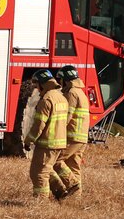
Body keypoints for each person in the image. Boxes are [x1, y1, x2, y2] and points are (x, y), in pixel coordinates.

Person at [26, 69, 68, 200]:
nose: (37, 90)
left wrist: (28, 140)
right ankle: (61, 192)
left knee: (39, 173)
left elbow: (39, 124)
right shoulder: (61, 98)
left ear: (42, 84)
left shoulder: (46, 100)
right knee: (47, 169)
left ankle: (41, 201)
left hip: (47, 143)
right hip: (59, 142)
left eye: (37, 85)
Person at [50, 66, 90, 200]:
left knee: (56, 160)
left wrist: (56, 131)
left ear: (65, 81)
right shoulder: (80, 92)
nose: (59, 83)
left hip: (72, 135)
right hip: (82, 137)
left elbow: (66, 116)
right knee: (74, 166)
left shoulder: (71, 93)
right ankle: (76, 199)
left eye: (60, 80)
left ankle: (72, 184)